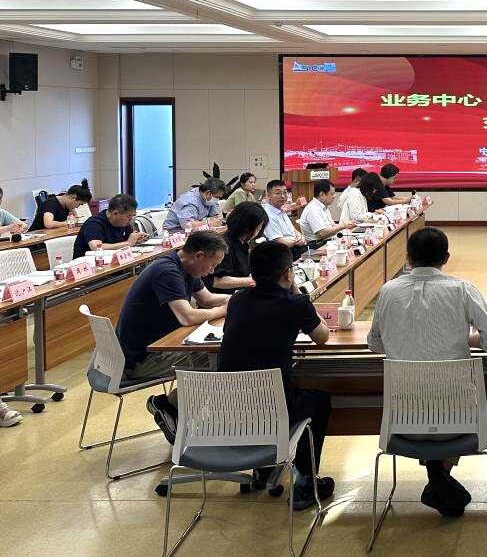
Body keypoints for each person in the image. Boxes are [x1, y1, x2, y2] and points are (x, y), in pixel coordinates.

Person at [367, 226, 487, 517]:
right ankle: (439, 477)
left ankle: (438, 480)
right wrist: (466, 339)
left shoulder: (389, 291)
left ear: (407, 258)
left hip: (402, 422)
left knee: (426, 401)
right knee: (449, 401)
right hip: (460, 422)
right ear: (446, 258)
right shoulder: (462, 289)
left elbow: (375, 344)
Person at [218, 241, 335, 511]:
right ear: (288, 273)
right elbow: (323, 337)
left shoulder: (237, 300)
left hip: (229, 407)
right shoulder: (295, 303)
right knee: (319, 401)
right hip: (273, 406)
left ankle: (264, 467)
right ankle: (306, 481)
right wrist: (297, 292)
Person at [113, 231, 231, 441]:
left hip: (156, 348)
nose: (213, 271)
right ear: (199, 256)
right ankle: (169, 406)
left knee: (218, 355)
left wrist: (238, 299)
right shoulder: (167, 271)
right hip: (141, 359)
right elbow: (187, 316)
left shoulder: (187, 267)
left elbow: (207, 299)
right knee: (221, 360)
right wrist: (224, 310)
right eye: (213, 265)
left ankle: (173, 407)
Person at [210, 201, 268, 290]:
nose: (258, 232)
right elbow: (216, 281)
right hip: (225, 295)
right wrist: (252, 280)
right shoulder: (223, 246)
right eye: (258, 228)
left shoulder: (242, 243)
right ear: (247, 227)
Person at [72, 193, 149, 259]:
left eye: (133, 215)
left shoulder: (124, 222)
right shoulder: (94, 223)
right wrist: (128, 243)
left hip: (114, 262)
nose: (131, 219)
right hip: (89, 266)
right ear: (115, 213)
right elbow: (96, 247)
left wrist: (135, 240)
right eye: (129, 216)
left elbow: (126, 242)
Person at [298, 180, 354, 244]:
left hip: (326, 242)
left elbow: (330, 226)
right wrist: (342, 226)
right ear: (322, 195)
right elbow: (321, 233)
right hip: (317, 245)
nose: (334, 196)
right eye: (332, 194)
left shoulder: (323, 207)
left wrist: (345, 225)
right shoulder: (313, 209)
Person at [261, 180, 307, 255]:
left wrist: (300, 236)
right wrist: (297, 242)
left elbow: (293, 230)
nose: (282, 196)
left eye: (285, 192)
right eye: (278, 193)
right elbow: (279, 242)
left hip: (296, 247)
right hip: (284, 252)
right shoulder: (268, 215)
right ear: (269, 196)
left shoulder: (280, 210)